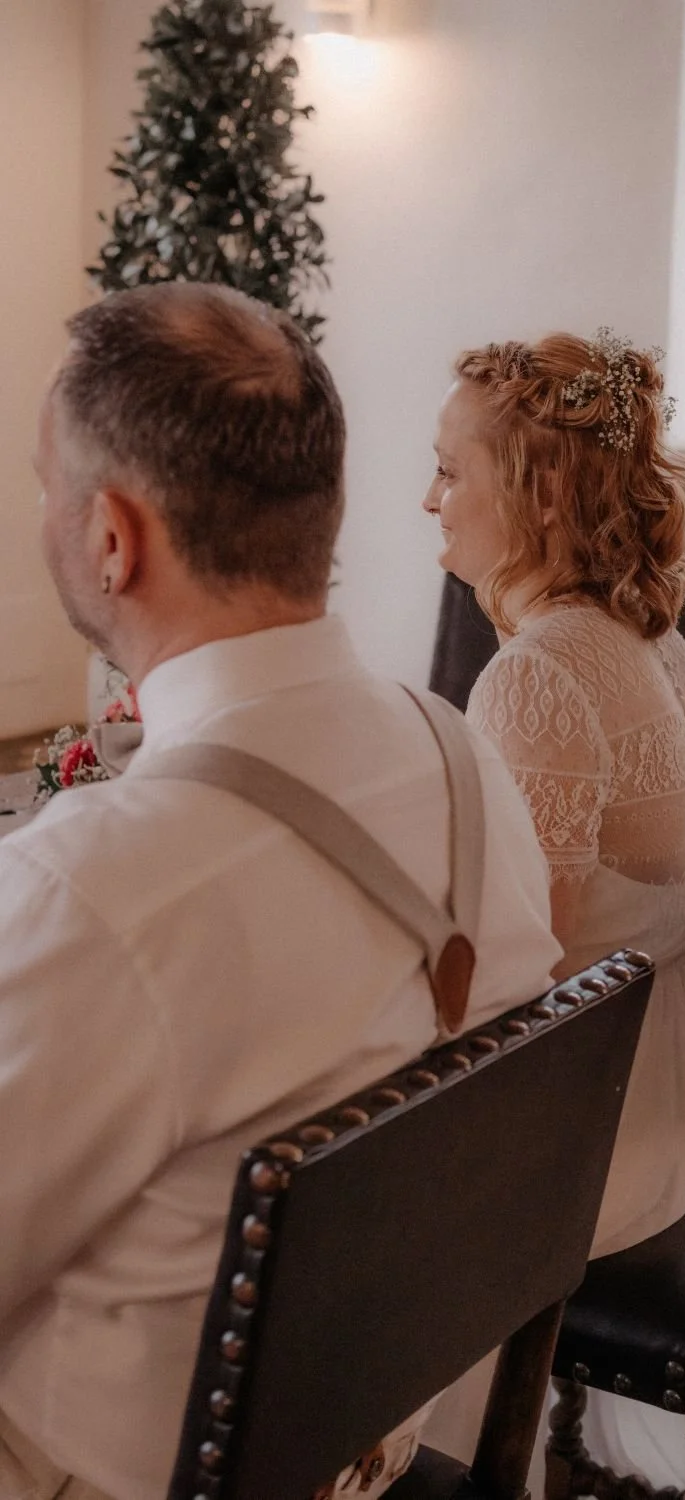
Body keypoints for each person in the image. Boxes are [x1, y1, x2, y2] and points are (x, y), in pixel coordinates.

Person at [0, 284, 562, 1500]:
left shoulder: (97, 889)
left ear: (112, 539)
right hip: (365, 1435)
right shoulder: (462, 757)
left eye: (46, 487)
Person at [420, 330, 685, 1498]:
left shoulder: (537, 673)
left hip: (589, 1137)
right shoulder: (650, 636)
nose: (429, 499)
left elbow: (511, 988)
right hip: (668, 1093)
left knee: (300, 1201)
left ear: (537, 497)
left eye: (448, 470)